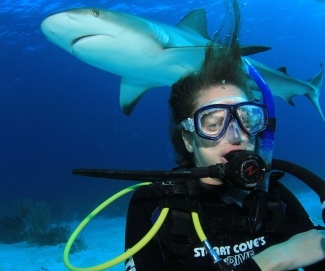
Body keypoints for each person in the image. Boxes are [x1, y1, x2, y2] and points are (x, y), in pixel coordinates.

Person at [124, 1, 325, 270]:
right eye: (213, 122)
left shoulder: (272, 196)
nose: (236, 135)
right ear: (187, 138)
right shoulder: (154, 205)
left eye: (247, 118)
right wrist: (271, 260)